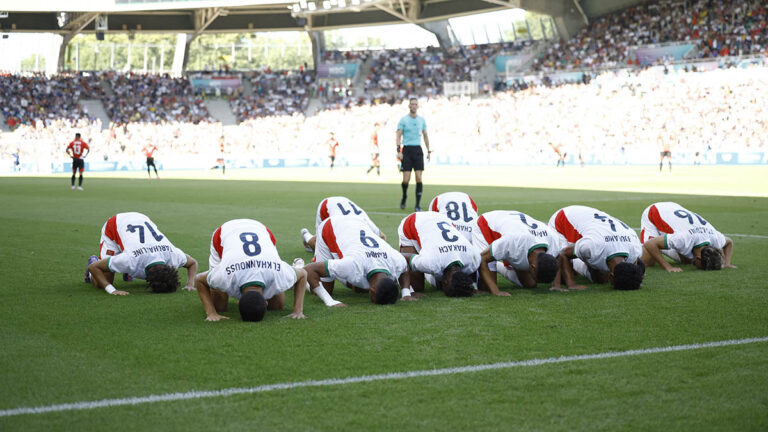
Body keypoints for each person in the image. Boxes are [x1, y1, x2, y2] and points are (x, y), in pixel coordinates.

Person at [195, 219, 307, 322]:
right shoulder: (225, 275)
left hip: (261, 231)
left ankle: (294, 268)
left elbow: (303, 274)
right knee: (219, 306)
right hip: (224, 234)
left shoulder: (278, 274)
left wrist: (298, 310)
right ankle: (293, 271)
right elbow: (199, 279)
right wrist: (211, 312)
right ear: (266, 302)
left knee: (277, 306)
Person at [303, 215, 414, 306]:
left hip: (356, 224)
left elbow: (405, 268)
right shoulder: (352, 265)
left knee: (358, 285)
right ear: (372, 290)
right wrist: (330, 301)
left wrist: (406, 293)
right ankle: (298, 270)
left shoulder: (397, 261)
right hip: (331, 226)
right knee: (325, 289)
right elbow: (310, 269)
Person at [86, 212, 198, 295]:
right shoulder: (130, 259)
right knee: (102, 282)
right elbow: (93, 268)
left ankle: (125, 269)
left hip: (141, 217)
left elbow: (193, 263)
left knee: (127, 261)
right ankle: (95, 262)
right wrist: (112, 290)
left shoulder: (173, 256)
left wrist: (190, 284)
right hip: (115, 225)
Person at [548, 205, 644, 291]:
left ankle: (588, 264)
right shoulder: (592, 246)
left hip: (594, 229)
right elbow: (562, 254)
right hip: (563, 220)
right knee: (561, 270)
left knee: (599, 278)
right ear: (611, 276)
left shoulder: (635, 249)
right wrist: (571, 284)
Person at [473, 210, 561, 294]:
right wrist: (496, 292)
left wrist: (556, 285)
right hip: (486, 225)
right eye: (536, 278)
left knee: (530, 284)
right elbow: (483, 258)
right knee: (485, 286)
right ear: (533, 267)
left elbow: (558, 259)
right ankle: (494, 262)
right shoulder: (513, 241)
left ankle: (501, 263)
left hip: (517, 235)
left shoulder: (554, 244)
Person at [397, 211, 480, 297]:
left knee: (429, 272)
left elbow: (471, 272)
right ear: (446, 282)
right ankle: (394, 276)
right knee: (416, 286)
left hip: (443, 219)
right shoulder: (430, 262)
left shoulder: (474, 258)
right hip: (414, 222)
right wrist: (407, 293)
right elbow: (402, 257)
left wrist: (473, 287)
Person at [640, 202, 735, 272]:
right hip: (655, 211)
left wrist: (727, 263)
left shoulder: (716, 239)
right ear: (698, 258)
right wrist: (668, 267)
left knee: (687, 259)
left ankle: (663, 242)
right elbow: (650, 244)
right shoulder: (683, 238)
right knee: (647, 261)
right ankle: (660, 241)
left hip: (674, 211)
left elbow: (729, 242)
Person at [299, 196, 387, 252]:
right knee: (322, 247)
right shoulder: (343, 228)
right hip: (325, 207)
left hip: (342, 203)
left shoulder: (366, 223)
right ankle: (306, 235)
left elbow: (382, 237)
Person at [396, 97, 431, 211]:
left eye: (416, 104)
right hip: (407, 150)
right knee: (406, 179)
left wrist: (428, 150)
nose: (414, 106)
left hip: (417, 150)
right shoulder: (403, 120)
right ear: (409, 106)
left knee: (419, 178)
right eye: (412, 104)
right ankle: (404, 196)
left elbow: (425, 136)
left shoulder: (422, 120)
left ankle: (417, 205)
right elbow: (398, 135)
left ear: (418, 106)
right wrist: (398, 151)